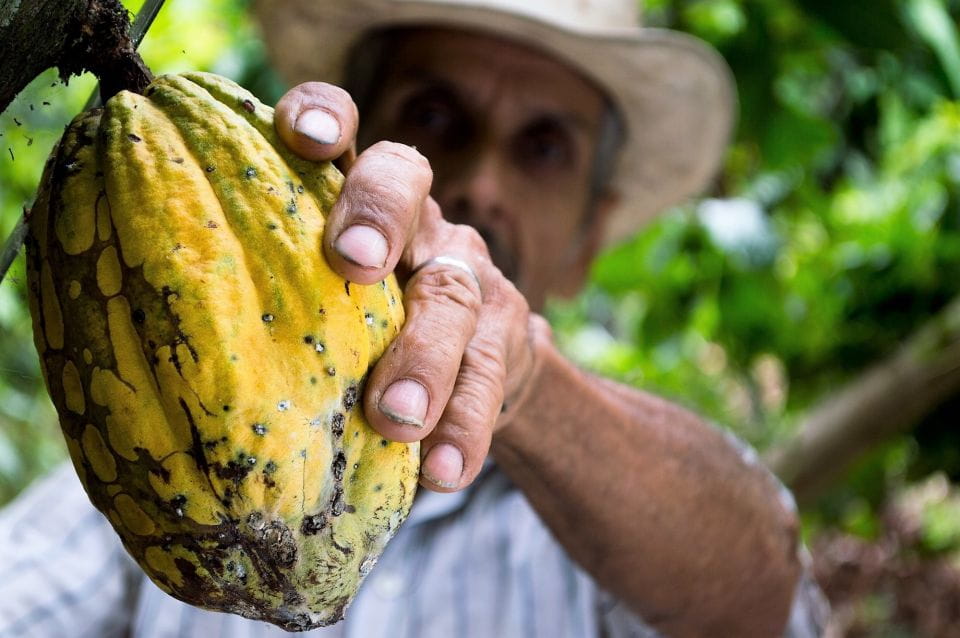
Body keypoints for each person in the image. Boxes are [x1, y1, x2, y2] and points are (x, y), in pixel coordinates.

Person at [0, 0, 829, 636]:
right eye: (435, 117)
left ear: (590, 237)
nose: (480, 183)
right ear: (338, 143)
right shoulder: (145, 442)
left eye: (543, 146)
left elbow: (762, 588)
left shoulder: (616, 533)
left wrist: (526, 384)